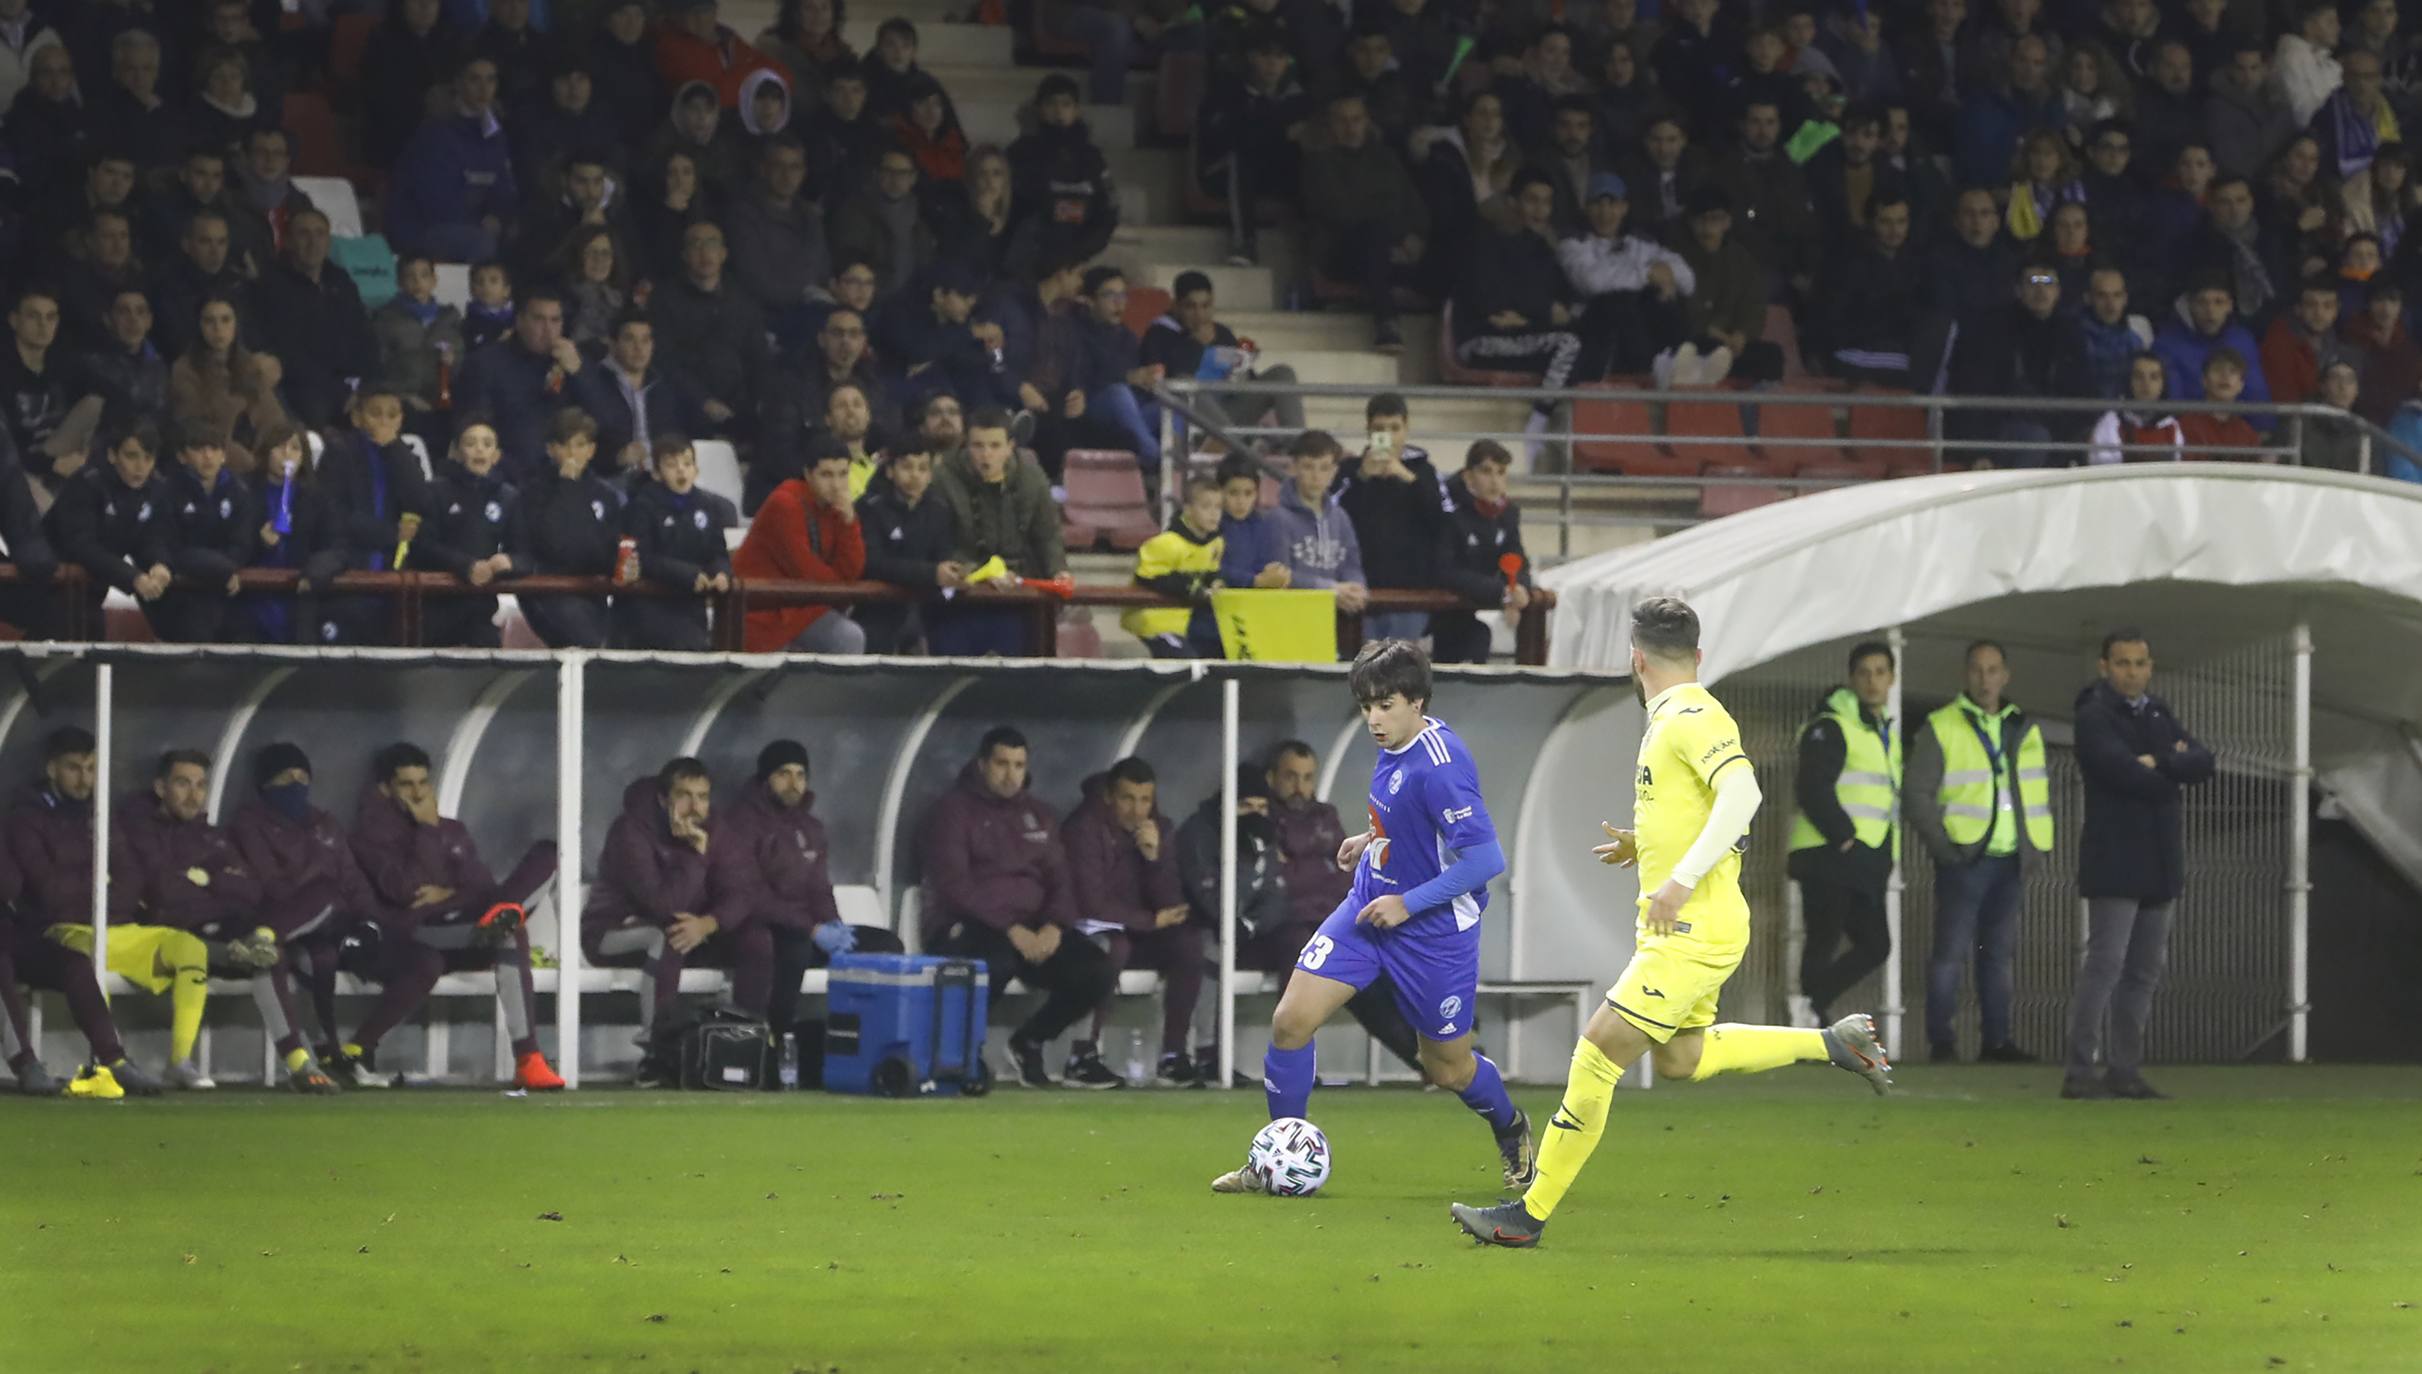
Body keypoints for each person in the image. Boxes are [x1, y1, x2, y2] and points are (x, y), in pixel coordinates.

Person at [1451, 597, 1892, 1246]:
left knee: (1597, 1053)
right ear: (1698, 656)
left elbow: (1744, 794)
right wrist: (1648, 843)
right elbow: (1704, 807)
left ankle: (1529, 1214)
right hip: (1697, 927)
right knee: (1683, 1057)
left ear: (1635, 660)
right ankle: (1834, 1043)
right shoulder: (1677, 717)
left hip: (1693, 930)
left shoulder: (1690, 714)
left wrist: (1680, 879)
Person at [1211, 641, 1535, 1195]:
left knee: (1446, 1069)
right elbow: (1416, 824)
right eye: (1366, 706)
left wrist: (1408, 903)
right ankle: (1271, 1160)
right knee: (1291, 1022)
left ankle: (1511, 1127)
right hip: (1366, 912)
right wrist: (1371, 842)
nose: (1374, 719)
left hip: (1433, 934)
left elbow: (1486, 861)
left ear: (1417, 701)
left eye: (1385, 705)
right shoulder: (1396, 746)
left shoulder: (1441, 767)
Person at [339, 742, 562, 1090]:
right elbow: (405, 891)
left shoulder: (453, 830)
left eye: (423, 783)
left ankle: (506, 912)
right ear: (385, 789)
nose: (418, 792)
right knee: (509, 931)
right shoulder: (369, 837)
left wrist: (451, 893)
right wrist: (427, 829)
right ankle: (529, 1059)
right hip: (417, 932)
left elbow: (482, 886)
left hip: (465, 926)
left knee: (548, 853)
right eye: (406, 784)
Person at [920, 727, 1122, 1088]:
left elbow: (1061, 880)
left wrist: (1055, 927)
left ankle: (1031, 1040)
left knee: (1097, 969)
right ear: (982, 764)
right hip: (968, 925)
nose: (1011, 773)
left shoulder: (1039, 815)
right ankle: (964, 1054)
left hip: (1033, 929)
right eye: (1002, 763)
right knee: (996, 961)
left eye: (1019, 764)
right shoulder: (953, 811)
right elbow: (955, 887)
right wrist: (1011, 930)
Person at [2063, 631, 2215, 1099]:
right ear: (2104, 667)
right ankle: (2079, 1072)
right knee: (2105, 965)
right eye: (2123, 663)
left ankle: (2124, 1069)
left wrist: (2159, 762)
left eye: (2140, 663)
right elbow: (2123, 772)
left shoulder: (2157, 711)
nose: (2132, 672)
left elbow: (2205, 762)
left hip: (2159, 860)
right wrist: (2173, 768)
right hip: (2116, 859)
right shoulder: (2093, 717)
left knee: (2144, 972)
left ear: (2150, 666)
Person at [1904, 642, 2052, 1064]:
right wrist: (1944, 848)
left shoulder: (2021, 725)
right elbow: (1916, 793)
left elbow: (2037, 790)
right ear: (1966, 675)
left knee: (1998, 955)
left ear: (2006, 675)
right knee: (1951, 953)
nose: (1985, 679)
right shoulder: (1943, 725)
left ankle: (1996, 1042)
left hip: (2011, 859)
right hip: (1966, 858)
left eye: (1993, 671)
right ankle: (1943, 1042)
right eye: (1978, 671)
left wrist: (2035, 847)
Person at [715, 740, 907, 1060]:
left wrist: (834, 924)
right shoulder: (742, 822)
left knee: (886, 945)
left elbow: (818, 888)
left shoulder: (810, 827)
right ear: (765, 780)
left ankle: (866, 1042)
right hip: (763, 928)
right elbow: (750, 893)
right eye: (784, 774)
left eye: (801, 775)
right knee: (795, 945)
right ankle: (778, 1037)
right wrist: (812, 929)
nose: (794, 783)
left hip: (807, 929)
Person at [2, 727, 164, 1098]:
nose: (84, 778)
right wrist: (95, 884)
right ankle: (26, 1063)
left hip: (38, 929)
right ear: (51, 769)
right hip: (28, 925)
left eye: (90, 768)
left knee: (74, 963)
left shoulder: (100, 815)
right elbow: (42, 887)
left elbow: (129, 877)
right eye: (74, 768)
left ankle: (114, 1061)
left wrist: (93, 895)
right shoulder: (25, 817)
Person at [225, 743, 376, 1087]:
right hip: (278, 916)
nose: (295, 784)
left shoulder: (325, 823)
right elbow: (270, 883)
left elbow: (354, 882)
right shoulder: (250, 822)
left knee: (323, 945)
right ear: (265, 784)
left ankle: (326, 1052)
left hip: (324, 927)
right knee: (322, 901)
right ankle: (308, 1059)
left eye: (302, 776)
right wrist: (318, 872)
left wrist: (369, 923)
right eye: (284, 777)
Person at [582, 758, 730, 1078]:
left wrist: (710, 923)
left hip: (689, 932)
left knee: (753, 939)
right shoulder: (631, 831)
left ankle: (742, 1052)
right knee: (667, 936)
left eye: (703, 797)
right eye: (684, 795)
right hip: (609, 933)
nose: (694, 806)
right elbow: (664, 904)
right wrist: (695, 855)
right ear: (663, 799)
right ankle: (657, 1053)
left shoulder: (716, 828)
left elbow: (741, 888)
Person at [1064, 757, 1200, 1087]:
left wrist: (1153, 858)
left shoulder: (1160, 829)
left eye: (1145, 800)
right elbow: (1091, 903)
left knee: (1188, 943)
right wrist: (1149, 920)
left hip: (1143, 932)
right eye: (1127, 799)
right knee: (1113, 947)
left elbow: (1172, 905)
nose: (1137, 810)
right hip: (1089, 932)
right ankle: (1081, 1056)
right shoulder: (1083, 829)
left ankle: (1173, 1055)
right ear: (1110, 797)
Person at [1787, 640, 1902, 1027]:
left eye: (1880, 673)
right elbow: (1812, 786)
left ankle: (1809, 1006)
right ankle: (1807, 1015)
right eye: (1865, 673)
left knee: (1875, 944)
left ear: (1892, 679)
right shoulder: (1832, 725)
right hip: (1828, 853)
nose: (1873, 681)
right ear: (1852, 679)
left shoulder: (1878, 731)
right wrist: (1844, 836)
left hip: (1862, 858)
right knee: (1824, 939)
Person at [1299, 92, 1430, 353]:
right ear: (1331, 125)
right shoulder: (1318, 163)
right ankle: (1386, 321)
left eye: (1356, 119)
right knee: (1372, 234)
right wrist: (1396, 235)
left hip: (1393, 250)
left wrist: (1415, 235)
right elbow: (1341, 212)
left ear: (1367, 122)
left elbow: (1413, 205)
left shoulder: (1387, 158)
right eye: (1343, 121)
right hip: (1341, 253)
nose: (1350, 128)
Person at [929, 408, 1063, 657]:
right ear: (966, 445)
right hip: (960, 597)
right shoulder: (942, 479)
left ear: (1010, 446)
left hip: (1017, 594)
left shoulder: (1032, 479)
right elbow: (940, 542)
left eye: (994, 445)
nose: (986, 454)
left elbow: (1047, 536)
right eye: (978, 445)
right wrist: (977, 574)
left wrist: (1057, 571)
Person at [1138, 272, 1308, 441]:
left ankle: (1300, 447)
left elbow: (1247, 381)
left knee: (1282, 374)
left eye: (1206, 306)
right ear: (1176, 306)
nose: (1199, 315)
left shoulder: (1222, 332)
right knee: (1187, 384)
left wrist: (1242, 367)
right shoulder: (1159, 334)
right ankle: (1239, 446)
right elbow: (1166, 382)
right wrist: (1197, 345)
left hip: (1229, 412)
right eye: (1191, 307)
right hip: (1189, 420)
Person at [731, 448, 868, 653]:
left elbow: (852, 571)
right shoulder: (784, 504)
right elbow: (806, 573)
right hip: (761, 610)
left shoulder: (838, 508)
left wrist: (849, 522)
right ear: (808, 474)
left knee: (850, 637)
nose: (837, 485)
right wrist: (840, 586)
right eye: (826, 475)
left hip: (803, 607)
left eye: (843, 474)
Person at [47, 418, 176, 635]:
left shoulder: (155, 490)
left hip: (94, 587)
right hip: (53, 585)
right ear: (112, 455)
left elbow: (151, 536)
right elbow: (80, 545)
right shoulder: (86, 484)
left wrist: (159, 563)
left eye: (148, 458)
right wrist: (132, 577)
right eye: (131, 456)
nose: (140, 467)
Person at [387, 55, 518, 261]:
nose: (484, 88)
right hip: (423, 229)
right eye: (475, 79)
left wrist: (498, 217)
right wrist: (482, 222)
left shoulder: (496, 135)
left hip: (475, 227)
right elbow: (437, 203)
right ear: (458, 83)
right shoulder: (434, 133)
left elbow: (503, 190)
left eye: (491, 80)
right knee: (481, 244)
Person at [455, 286, 590, 482]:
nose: (548, 329)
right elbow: (473, 428)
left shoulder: (573, 363)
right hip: (506, 480)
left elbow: (611, 422)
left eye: (555, 320)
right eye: (538, 319)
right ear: (519, 321)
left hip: (567, 477)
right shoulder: (486, 363)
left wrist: (580, 374)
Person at [1337, 395, 1443, 642]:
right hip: (1360, 591)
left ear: (1406, 430)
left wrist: (1407, 478)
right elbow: (1333, 516)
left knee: (1399, 671)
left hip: (1411, 593)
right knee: (1364, 670)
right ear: (1367, 431)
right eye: (1379, 429)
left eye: (1394, 428)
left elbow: (1442, 521)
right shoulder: (1349, 470)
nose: (1388, 436)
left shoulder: (1424, 472)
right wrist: (1361, 477)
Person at [514, 409, 622, 648]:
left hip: (594, 592)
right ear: (551, 449)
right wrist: (567, 487)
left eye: (580, 445)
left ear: (591, 450)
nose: (573, 453)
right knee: (587, 645)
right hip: (547, 591)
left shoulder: (606, 496)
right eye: (565, 445)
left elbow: (609, 547)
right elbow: (552, 543)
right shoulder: (532, 492)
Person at [619, 433, 737, 650]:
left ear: (696, 469)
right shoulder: (642, 507)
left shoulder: (709, 506)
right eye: (672, 465)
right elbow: (643, 556)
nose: (681, 470)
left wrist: (721, 572)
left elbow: (717, 551)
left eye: (687, 463)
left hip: (692, 605)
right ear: (656, 473)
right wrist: (687, 574)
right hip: (653, 604)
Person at [154, 420, 258, 644]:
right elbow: (172, 547)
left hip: (229, 596)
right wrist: (221, 569)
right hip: (183, 598)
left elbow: (242, 544)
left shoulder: (240, 492)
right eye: (199, 449)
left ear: (223, 455)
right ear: (182, 456)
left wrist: (226, 568)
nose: (208, 456)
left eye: (214, 449)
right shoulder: (167, 492)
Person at [1430, 442, 1531, 664]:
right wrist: (1501, 592)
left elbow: (1517, 559)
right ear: (1468, 476)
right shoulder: (1447, 511)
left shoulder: (1508, 514)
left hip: (1469, 607)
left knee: (1479, 637)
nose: (1495, 481)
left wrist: (1518, 588)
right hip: (1434, 608)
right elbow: (1445, 570)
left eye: (1501, 473)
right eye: (1486, 471)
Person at [1266, 430, 1367, 621]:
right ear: (1293, 468)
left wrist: (1355, 587)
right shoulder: (1277, 519)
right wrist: (1331, 589)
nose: (1316, 476)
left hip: (1334, 620)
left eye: (1324, 468)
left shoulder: (1340, 517)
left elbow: (1352, 564)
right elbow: (1280, 576)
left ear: (1334, 471)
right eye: (1308, 467)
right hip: (1291, 618)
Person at [1123, 474, 1228, 659]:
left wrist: (1216, 583)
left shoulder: (1216, 543)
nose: (1214, 513)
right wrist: (1190, 588)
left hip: (1187, 620)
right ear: (1187, 509)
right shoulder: (1165, 544)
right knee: (1186, 661)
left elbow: (1211, 572)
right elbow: (1146, 577)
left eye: (1218, 507)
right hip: (1153, 619)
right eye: (1206, 506)